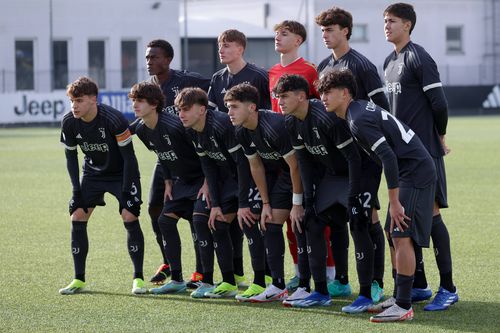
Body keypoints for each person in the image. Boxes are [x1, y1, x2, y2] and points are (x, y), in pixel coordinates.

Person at [321, 68, 436, 322]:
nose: (323, 98)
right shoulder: (357, 111)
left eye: (328, 92)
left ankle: (404, 305)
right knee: (391, 232)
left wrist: (394, 201)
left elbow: (388, 157)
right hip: (410, 169)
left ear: (345, 93)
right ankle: (399, 295)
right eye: (321, 93)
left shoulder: (357, 117)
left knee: (400, 233)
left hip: (415, 171)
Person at [279, 73, 382, 312]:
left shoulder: (326, 118)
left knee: (359, 224)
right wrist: (308, 200)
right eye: (278, 97)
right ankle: (320, 292)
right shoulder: (291, 121)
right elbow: (303, 162)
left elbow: (354, 158)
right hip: (333, 176)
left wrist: (355, 195)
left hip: (361, 171)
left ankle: (368, 292)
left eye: (284, 97)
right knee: (312, 221)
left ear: (301, 96)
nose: (279, 102)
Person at [381, 2, 458, 311]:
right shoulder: (388, 60)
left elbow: (439, 104)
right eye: (385, 21)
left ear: (408, 25)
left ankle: (449, 288)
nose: (387, 26)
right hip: (402, 156)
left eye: (393, 21)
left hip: (424, 152)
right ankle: (418, 286)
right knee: (403, 220)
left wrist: (439, 135)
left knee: (434, 215)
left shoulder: (419, 57)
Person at [315, 6, 388, 299]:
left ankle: (375, 283)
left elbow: (381, 109)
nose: (325, 35)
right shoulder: (322, 65)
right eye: (322, 30)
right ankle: (343, 280)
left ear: (345, 31)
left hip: (365, 155)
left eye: (330, 29)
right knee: (336, 217)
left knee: (366, 217)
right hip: (336, 157)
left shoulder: (362, 66)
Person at [59, 76, 145, 295]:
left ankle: (138, 279)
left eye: (78, 100)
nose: (74, 106)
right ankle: (78, 279)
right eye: (71, 101)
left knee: (129, 215)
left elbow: (130, 159)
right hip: (93, 174)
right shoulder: (69, 122)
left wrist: (126, 191)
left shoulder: (114, 119)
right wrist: (76, 192)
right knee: (77, 215)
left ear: (93, 99)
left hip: (121, 173)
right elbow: (71, 159)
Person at [268, 20, 337, 291]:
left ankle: (329, 272)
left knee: (315, 215)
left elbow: (318, 107)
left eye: (284, 34)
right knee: (287, 217)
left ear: (298, 40)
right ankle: (299, 270)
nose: (277, 38)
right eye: (276, 34)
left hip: (307, 148)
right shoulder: (272, 71)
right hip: (281, 149)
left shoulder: (310, 70)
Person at [224, 83, 307, 304]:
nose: (229, 112)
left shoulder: (274, 126)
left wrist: (297, 203)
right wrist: (266, 203)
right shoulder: (241, 130)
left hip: (305, 172)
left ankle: (307, 285)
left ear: (252, 107)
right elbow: (256, 166)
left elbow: (296, 166)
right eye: (227, 107)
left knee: (301, 224)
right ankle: (278, 286)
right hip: (283, 176)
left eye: (234, 107)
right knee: (270, 224)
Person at [128, 81, 210, 295]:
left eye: (140, 101)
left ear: (154, 104)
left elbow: (204, 152)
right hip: (181, 181)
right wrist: (167, 182)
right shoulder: (141, 129)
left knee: (197, 223)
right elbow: (161, 154)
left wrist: (208, 182)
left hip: (202, 178)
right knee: (165, 220)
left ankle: (203, 279)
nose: (135, 105)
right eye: (133, 101)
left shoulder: (175, 127)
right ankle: (177, 279)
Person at [141, 39, 210, 286]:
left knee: (194, 216)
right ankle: (169, 262)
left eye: (154, 57)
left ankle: (201, 271)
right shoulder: (149, 87)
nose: (149, 61)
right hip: (166, 159)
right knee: (153, 207)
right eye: (147, 57)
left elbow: (215, 89)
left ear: (168, 59)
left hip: (192, 159)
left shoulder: (185, 81)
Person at [207, 29, 272, 285]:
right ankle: (235, 275)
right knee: (230, 218)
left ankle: (267, 275)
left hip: (255, 155)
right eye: (220, 45)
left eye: (227, 45)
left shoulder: (258, 76)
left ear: (241, 49)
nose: (222, 50)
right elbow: (211, 118)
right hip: (228, 159)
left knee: (255, 218)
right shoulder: (217, 78)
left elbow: (265, 114)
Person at [176, 87, 253, 298]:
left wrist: (244, 202)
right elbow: (207, 164)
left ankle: (266, 280)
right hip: (223, 179)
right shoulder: (191, 129)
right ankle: (218, 281)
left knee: (251, 224)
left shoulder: (221, 124)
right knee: (206, 220)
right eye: (178, 109)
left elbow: (242, 164)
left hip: (247, 176)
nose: (180, 114)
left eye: (185, 109)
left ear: (202, 110)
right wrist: (216, 204)